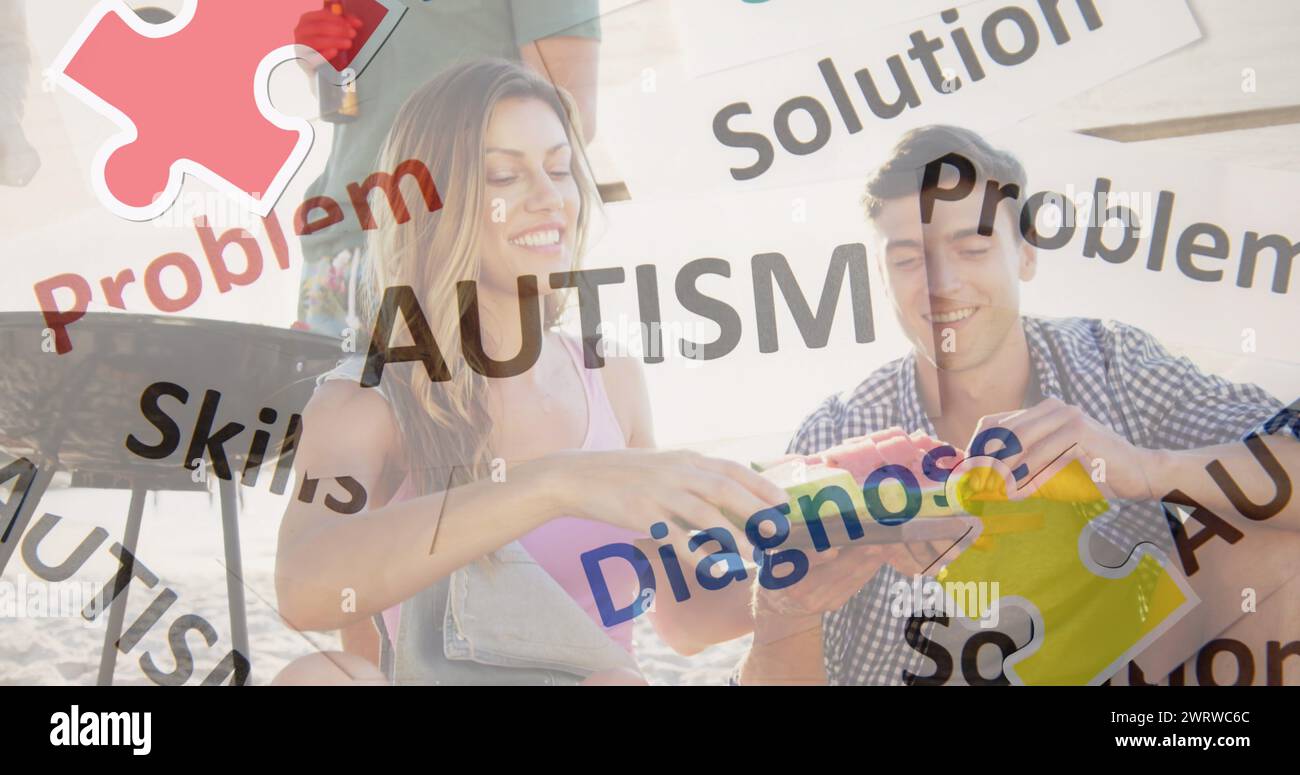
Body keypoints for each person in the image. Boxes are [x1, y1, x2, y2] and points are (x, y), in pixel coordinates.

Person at [272, 59, 788, 685]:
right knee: (319, 676)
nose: (549, 198)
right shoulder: (368, 400)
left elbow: (686, 617)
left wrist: (808, 574)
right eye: (504, 175)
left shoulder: (610, 378)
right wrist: (553, 485)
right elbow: (304, 585)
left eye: (560, 168)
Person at [738, 124, 1300, 685]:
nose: (943, 283)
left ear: (1025, 254)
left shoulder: (1109, 362)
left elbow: (1288, 453)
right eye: (908, 260)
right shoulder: (836, 432)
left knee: (1275, 547)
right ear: (880, 279)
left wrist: (1144, 471)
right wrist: (785, 614)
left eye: (972, 247)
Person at [293, 0, 601, 340]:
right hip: (341, 245)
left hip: (449, 246)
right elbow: (361, 107)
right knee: (331, 392)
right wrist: (322, 61)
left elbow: (569, 117)